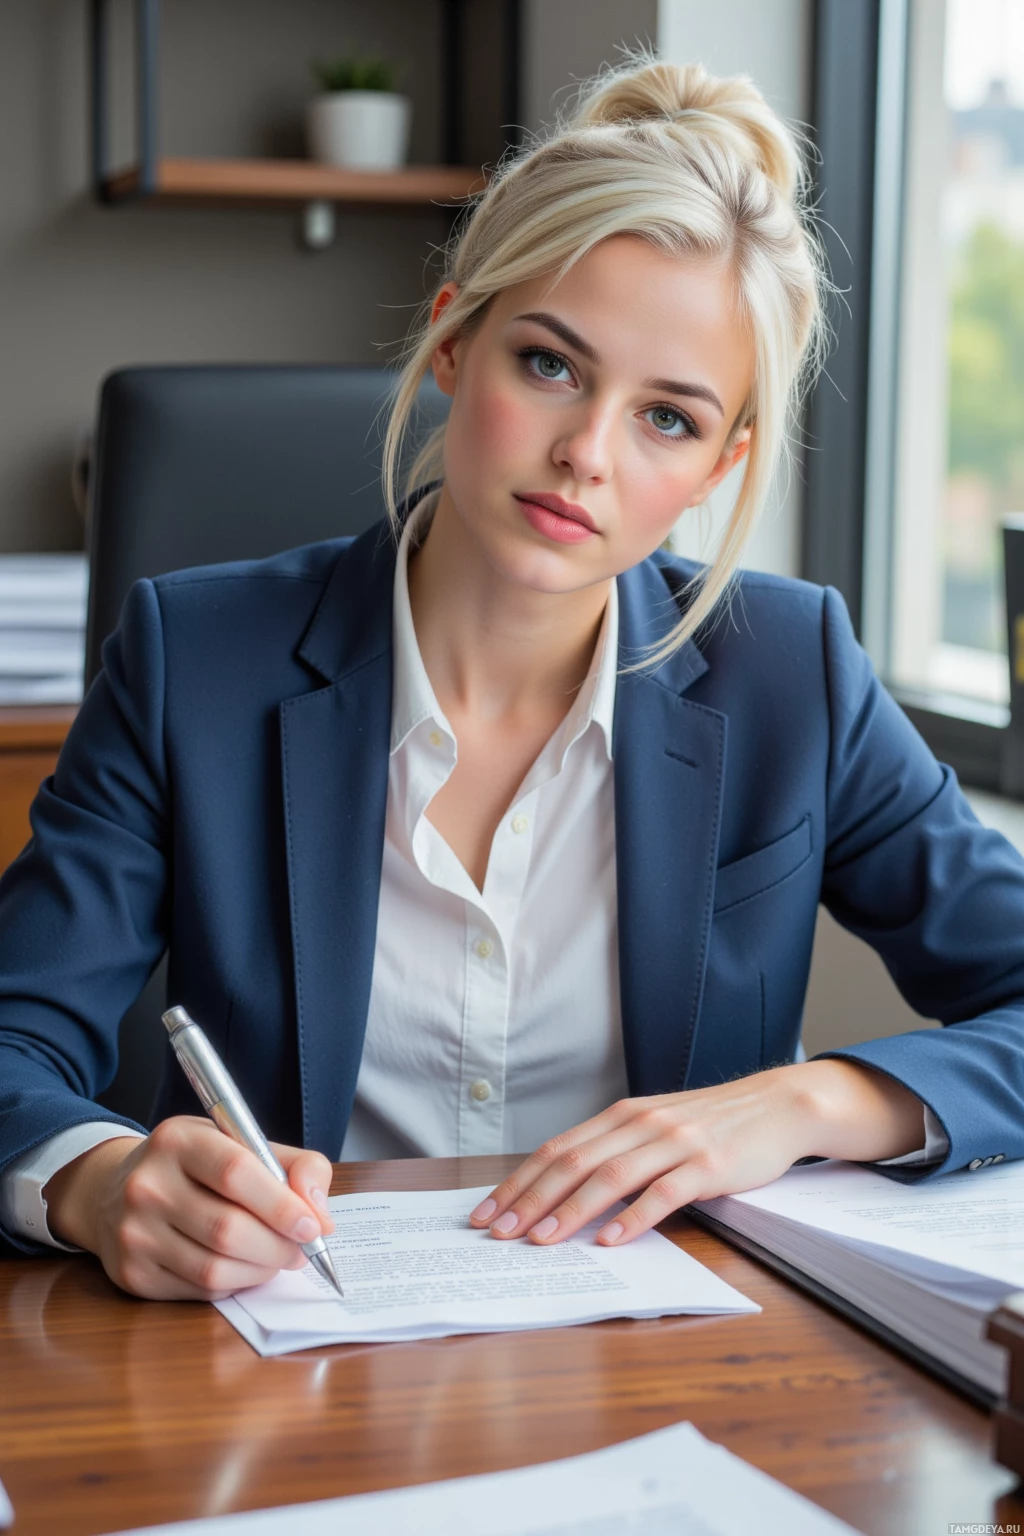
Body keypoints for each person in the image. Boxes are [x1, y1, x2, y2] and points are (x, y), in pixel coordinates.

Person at [2, 47, 1023, 1303]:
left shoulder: (790, 674)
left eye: (669, 418)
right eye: (550, 363)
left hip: (682, 1375)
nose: (587, 453)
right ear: (451, 345)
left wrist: (807, 1099)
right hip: (276, 1359)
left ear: (718, 465)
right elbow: (13, 1038)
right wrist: (96, 1182)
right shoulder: (192, 658)